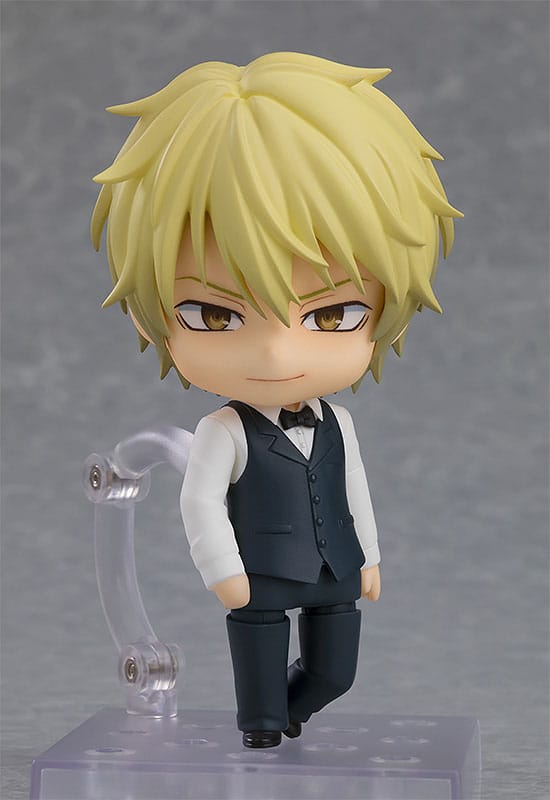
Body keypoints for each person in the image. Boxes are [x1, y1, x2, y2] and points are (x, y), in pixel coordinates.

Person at [91, 52, 461, 748]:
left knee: (334, 672)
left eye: (331, 314)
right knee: (259, 679)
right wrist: (222, 571)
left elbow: (354, 489)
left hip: (334, 565)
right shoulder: (223, 430)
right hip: (258, 572)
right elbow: (200, 502)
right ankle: (260, 728)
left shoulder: (338, 422)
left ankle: (289, 709)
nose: (277, 356)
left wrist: (370, 555)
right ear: (151, 315)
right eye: (215, 315)